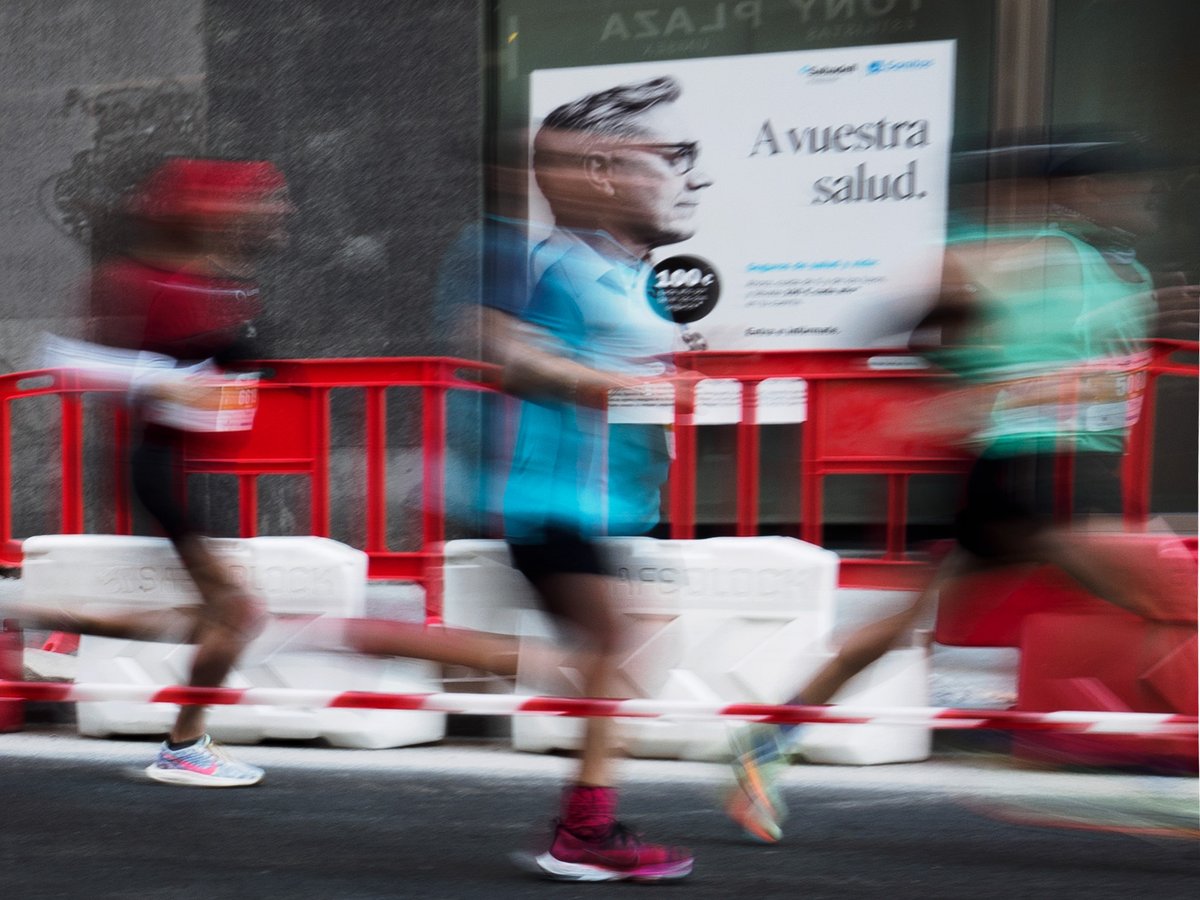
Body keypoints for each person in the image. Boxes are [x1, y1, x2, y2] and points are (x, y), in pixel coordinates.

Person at [723, 136, 1186, 842]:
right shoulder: (1013, 258)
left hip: (1039, 471)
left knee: (904, 626)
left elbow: (1089, 363)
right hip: (1038, 472)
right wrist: (974, 380)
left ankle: (768, 738)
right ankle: (1158, 770)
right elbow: (920, 331)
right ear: (1084, 192)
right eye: (1132, 191)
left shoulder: (1110, 272)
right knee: (1178, 601)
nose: (1146, 203)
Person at [487, 75, 712, 882]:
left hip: (626, 506)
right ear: (606, 171)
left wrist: (675, 379)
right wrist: (615, 384)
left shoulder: (635, 279)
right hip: (559, 508)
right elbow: (514, 357)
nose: (695, 175)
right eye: (673, 157)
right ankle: (584, 831)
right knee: (611, 650)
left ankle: (586, 824)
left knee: (630, 650)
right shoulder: (555, 268)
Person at [23, 158, 293, 786]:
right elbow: (61, 360)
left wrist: (227, 384)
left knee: (219, 614)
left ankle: (32, 616)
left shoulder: (223, 286)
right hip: (163, 470)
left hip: (194, 468)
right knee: (236, 612)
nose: (276, 214)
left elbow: (223, 394)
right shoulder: (136, 281)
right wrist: (177, 382)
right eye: (258, 202)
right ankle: (182, 745)